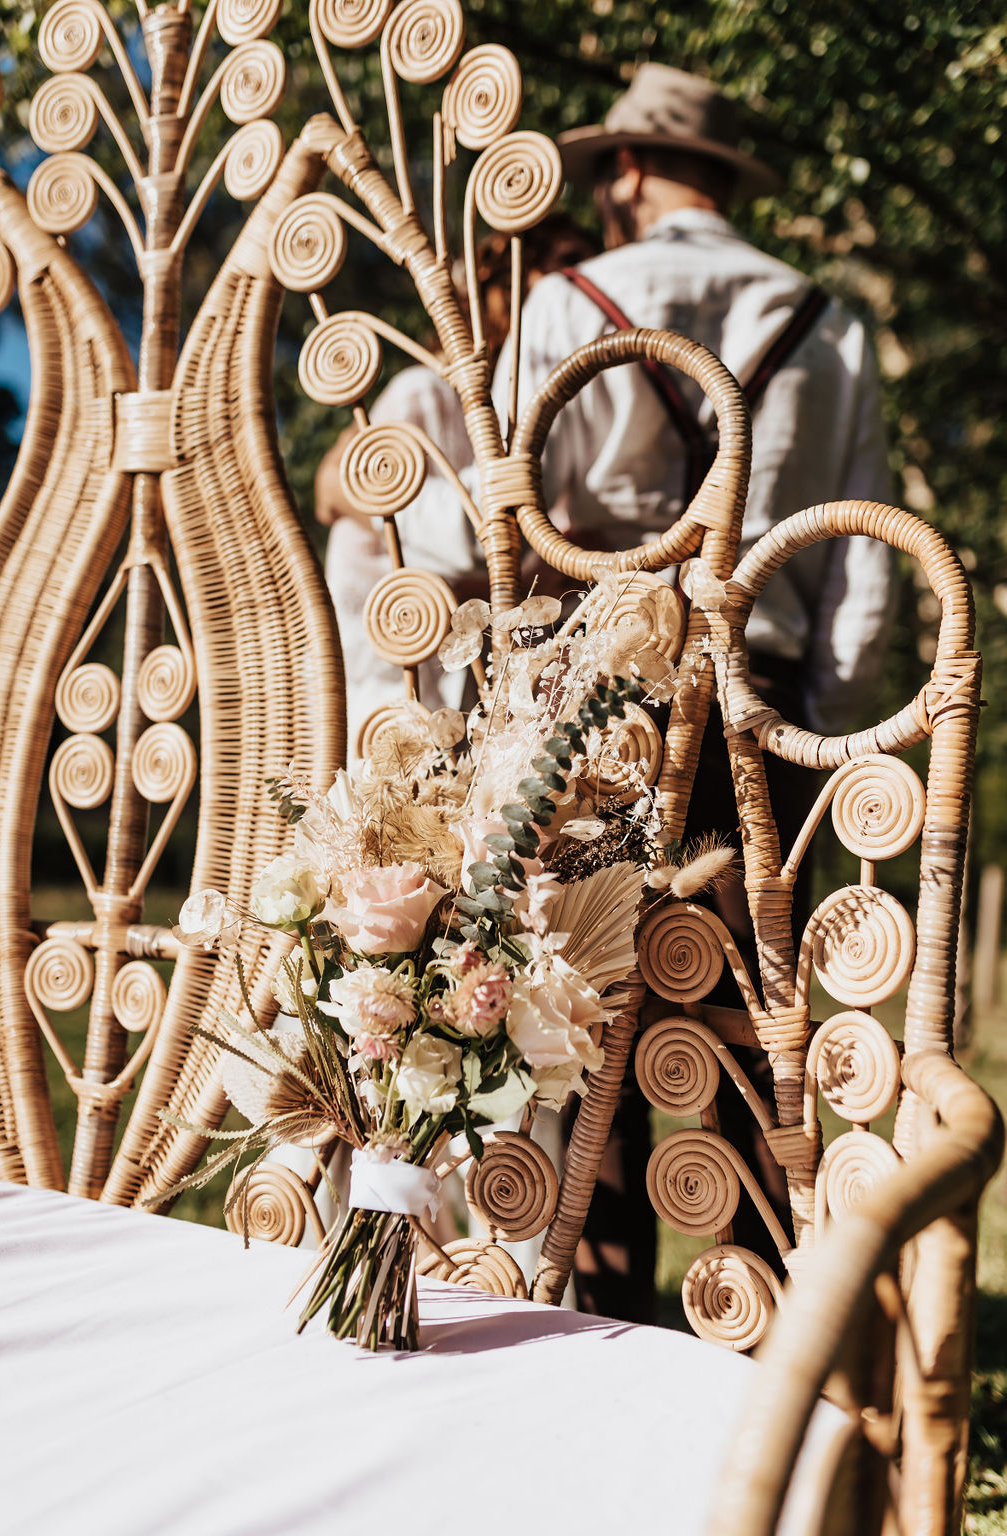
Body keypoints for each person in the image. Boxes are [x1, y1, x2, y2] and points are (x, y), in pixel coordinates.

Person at [496, 63, 896, 1323]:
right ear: (724, 177)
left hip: (593, 706)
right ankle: (755, 1330)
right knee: (747, 1027)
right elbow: (862, 561)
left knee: (575, 1018)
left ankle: (589, 1310)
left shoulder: (565, 304)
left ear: (623, 172)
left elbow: (503, 531)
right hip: (756, 698)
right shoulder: (822, 317)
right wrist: (809, 731)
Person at [316, 216, 597, 755]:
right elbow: (334, 485)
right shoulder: (425, 394)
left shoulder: (537, 429)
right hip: (386, 685)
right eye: (541, 300)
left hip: (460, 698)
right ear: (499, 296)